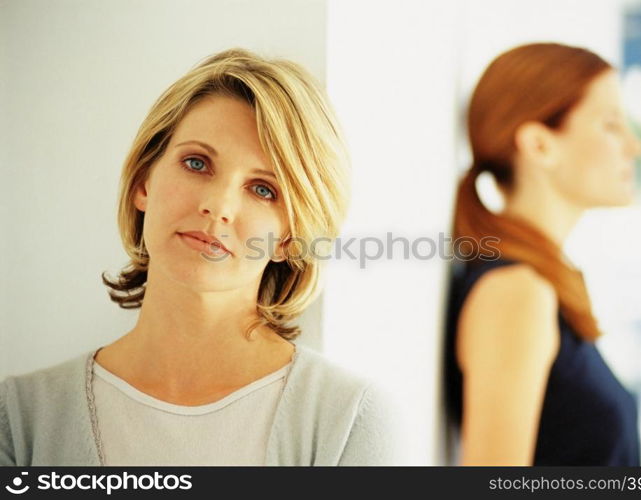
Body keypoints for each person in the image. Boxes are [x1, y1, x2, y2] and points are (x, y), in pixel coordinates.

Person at [0, 48, 396, 466]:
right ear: (143, 182)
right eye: (196, 163)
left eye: (263, 189)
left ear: (290, 238)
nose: (218, 205)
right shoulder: (22, 418)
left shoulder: (350, 420)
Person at [444, 42, 641, 465]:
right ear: (539, 145)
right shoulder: (515, 292)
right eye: (611, 125)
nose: (634, 146)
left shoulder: (537, 282)